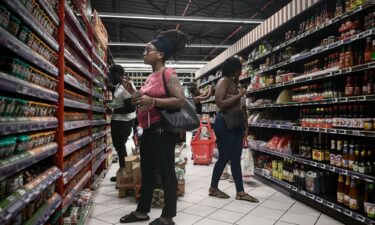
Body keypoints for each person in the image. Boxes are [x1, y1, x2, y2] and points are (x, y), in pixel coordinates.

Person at [120, 29, 189, 225]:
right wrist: (132, 91)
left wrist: (154, 101)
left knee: (166, 170)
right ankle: (142, 212)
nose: (144, 52)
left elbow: (180, 101)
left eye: (147, 49)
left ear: (160, 54)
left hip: (162, 129)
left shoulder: (169, 73)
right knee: (147, 170)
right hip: (148, 129)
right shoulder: (151, 76)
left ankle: (168, 216)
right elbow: (142, 101)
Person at [208, 56, 259, 203]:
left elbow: (242, 106)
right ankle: (213, 188)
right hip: (224, 122)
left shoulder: (236, 83)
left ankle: (240, 192)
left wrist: (245, 125)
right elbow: (220, 103)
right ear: (234, 69)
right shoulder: (223, 81)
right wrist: (240, 95)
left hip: (236, 122)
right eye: (240, 68)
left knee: (236, 158)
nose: (241, 71)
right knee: (224, 157)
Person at [108, 65, 136, 182]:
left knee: (120, 146)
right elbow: (117, 91)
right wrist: (108, 86)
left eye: (111, 75)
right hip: (118, 120)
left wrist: (113, 110)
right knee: (119, 146)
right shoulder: (120, 84)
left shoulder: (126, 86)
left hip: (123, 122)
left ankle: (124, 173)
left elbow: (131, 108)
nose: (110, 77)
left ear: (116, 74)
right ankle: (122, 171)